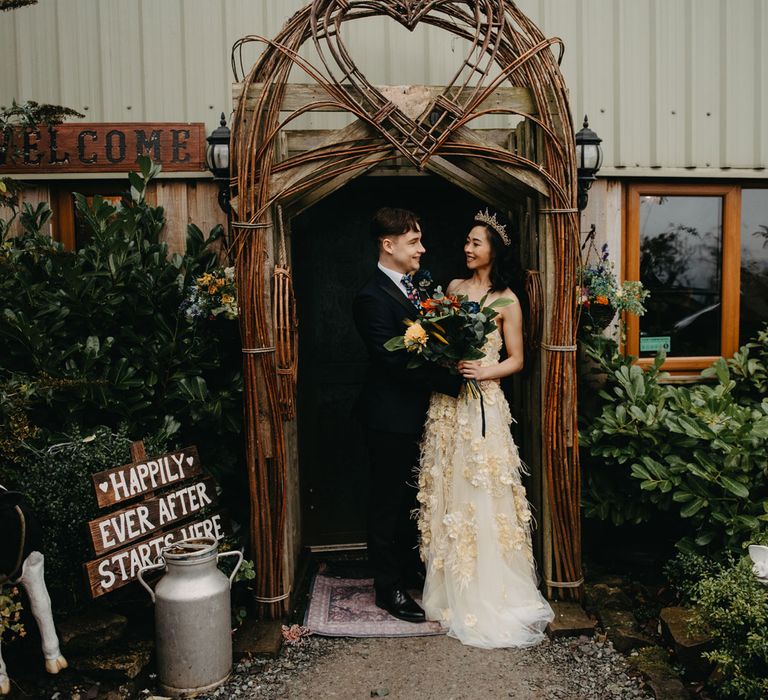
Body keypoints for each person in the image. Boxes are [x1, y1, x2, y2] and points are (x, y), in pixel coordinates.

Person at [417, 208, 554, 647]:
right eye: (467, 242)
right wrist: (444, 359)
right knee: (447, 483)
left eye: (476, 242)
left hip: (483, 403)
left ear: (493, 249)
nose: (467, 248)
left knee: (481, 485)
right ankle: (448, 587)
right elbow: (435, 336)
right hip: (446, 403)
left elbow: (518, 358)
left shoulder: (508, 300)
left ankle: (487, 588)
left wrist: (486, 370)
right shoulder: (453, 289)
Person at [353, 206, 461, 623]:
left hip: (423, 415)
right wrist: (450, 379)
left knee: (414, 499)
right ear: (389, 244)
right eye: (414, 241)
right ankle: (388, 588)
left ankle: (408, 568)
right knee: (387, 502)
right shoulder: (370, 297)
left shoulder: (418, 288)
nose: (422, 248)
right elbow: (392, 360)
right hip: (388, 417)